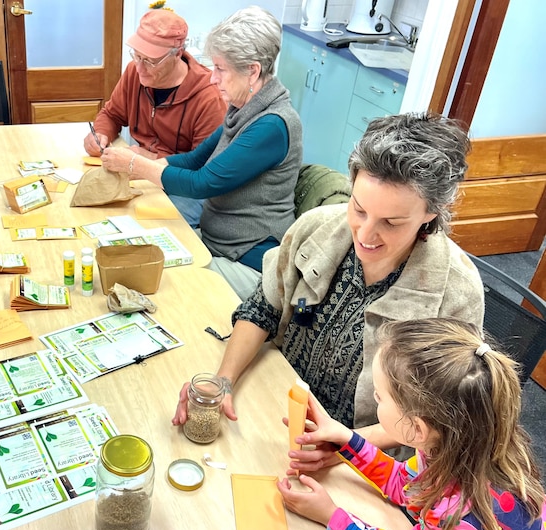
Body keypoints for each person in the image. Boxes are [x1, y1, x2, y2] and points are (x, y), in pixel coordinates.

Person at [172, 112, 485, 469]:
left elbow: (437, 418)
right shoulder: (316, 229)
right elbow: (262, 309)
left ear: (432, 212)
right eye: (359, 208)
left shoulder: (455, 292)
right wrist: (222, 381)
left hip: (366, 456)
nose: (365, 235)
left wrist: (347, 446)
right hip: (276, 402)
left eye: (391, 222)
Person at [278, 318, 546, 530]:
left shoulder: (456, 515)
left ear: (417, 429)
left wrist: (332, 516)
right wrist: (347, 441)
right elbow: (405, 486)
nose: (374, 398)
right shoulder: (454, 445)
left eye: (379, 397)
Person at [102, 6, 302, 299]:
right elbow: (196, 159)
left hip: (250, 259)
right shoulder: (244, 109)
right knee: (141, 258)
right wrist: (146, 163)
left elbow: (203, 182)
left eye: (220, 69)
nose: (212, 78)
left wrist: (136, 165)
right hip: (217, 242)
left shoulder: (272, 125)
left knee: (163, 287)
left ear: (252, 71)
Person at [84, 9, 226, 226]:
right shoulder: (134, 72)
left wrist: (147, 160)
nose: (140, 68)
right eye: (137, 56)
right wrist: (101, 133)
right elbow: (112, 114)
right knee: (96, 211)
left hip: (183, 188)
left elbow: (203, 171)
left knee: (143, 229)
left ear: (178, 53)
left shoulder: (209, 97)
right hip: (140, 174)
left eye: (151, 61)